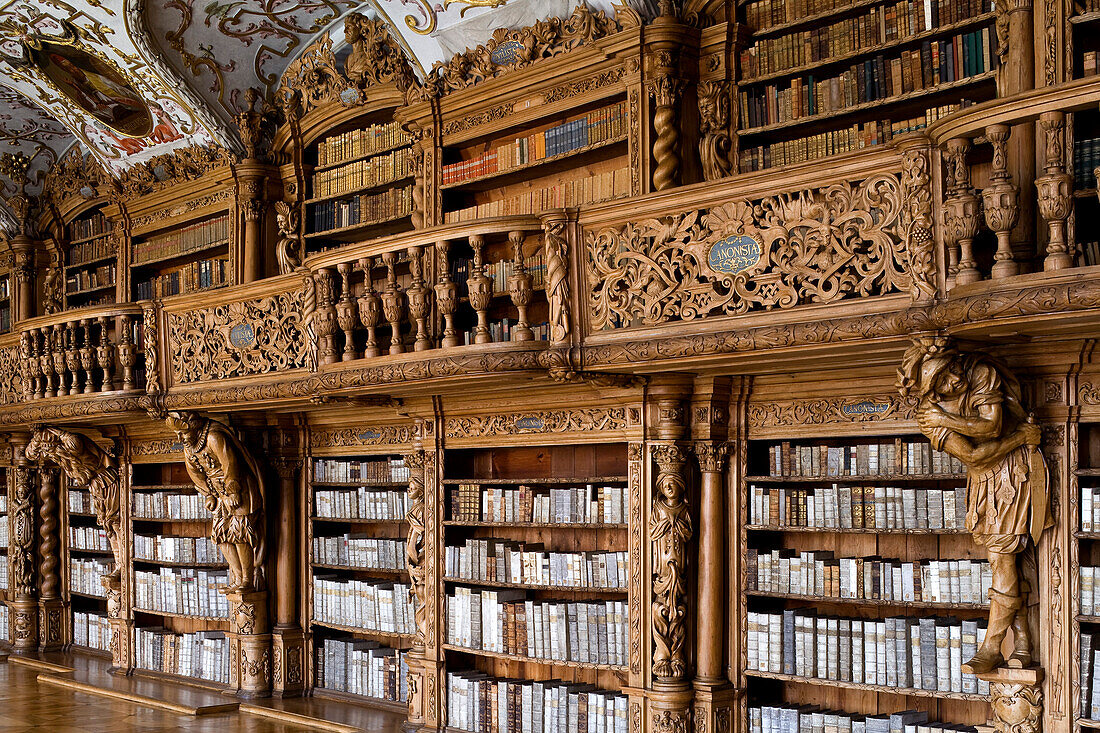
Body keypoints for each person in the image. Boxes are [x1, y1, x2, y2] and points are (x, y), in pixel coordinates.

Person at [898, 337, 1052, 673]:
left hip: (1014, 474)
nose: (953, 380)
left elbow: (991, 425)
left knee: (1002, 558)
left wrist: (946, 418)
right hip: (984, 480)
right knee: (1004, 558)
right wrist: (1020, 438)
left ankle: (993, 646)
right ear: (932, 393)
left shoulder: (981, 372)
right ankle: (1023, 640)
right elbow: (973, 454)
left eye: (951, 369)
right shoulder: (929, 418)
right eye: (941, 383)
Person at [165, 411, 266, 592]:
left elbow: (230, 463)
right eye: (178, 434)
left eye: (183, 433)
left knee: (239, 534)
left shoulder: (213, 438)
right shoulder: (190, 448)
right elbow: (195, 474)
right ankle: (237, 577)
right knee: (220, 535)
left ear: (194, 427)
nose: (180, 438)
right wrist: (209, 495)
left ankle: (247, 580)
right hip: (219, 493)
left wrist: (234, 491)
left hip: (240, 489)